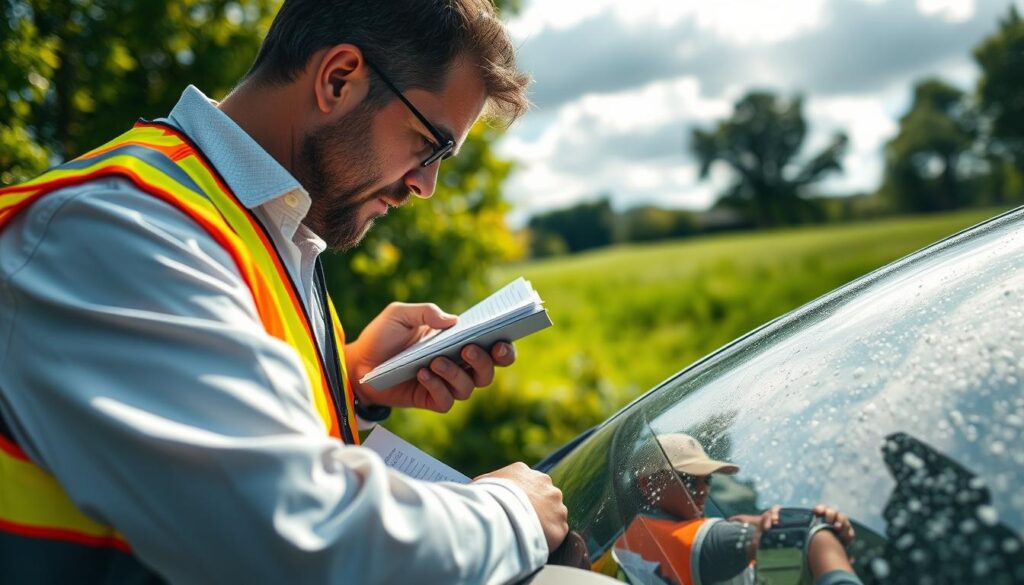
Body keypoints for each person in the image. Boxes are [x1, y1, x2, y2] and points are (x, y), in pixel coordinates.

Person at [0, 1, 568, 583]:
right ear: (338, 79)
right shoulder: (120, 230)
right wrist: (513, 511)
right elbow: (298, 539)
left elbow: (215, 444)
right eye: (430, 145)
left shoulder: (259, 227)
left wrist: (350, 386)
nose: (425, 184)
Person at [605, 434, 862, 585]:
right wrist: (821, 532)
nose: (703, 489)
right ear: (649, 485)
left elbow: (779, 575)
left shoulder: (630, 544)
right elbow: (802, 536)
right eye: (689, 479)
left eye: (708, 480)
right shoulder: (698, 541)